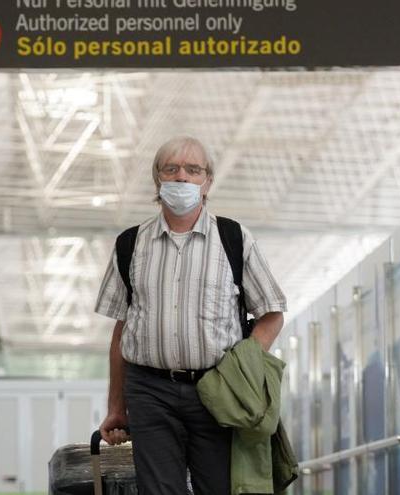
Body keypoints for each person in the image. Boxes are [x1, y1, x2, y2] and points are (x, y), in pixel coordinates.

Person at [95, 136, 287, 495]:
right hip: (149, 390)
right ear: (158, 179)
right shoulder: (130, 244)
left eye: (193, 170)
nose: (182, 177)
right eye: (171, 169)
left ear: (207, 181)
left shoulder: (233, 238)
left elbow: (272, 314)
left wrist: (241, 367)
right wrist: (116, 407)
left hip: (215, 392)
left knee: (217, 487)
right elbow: (121, 331)